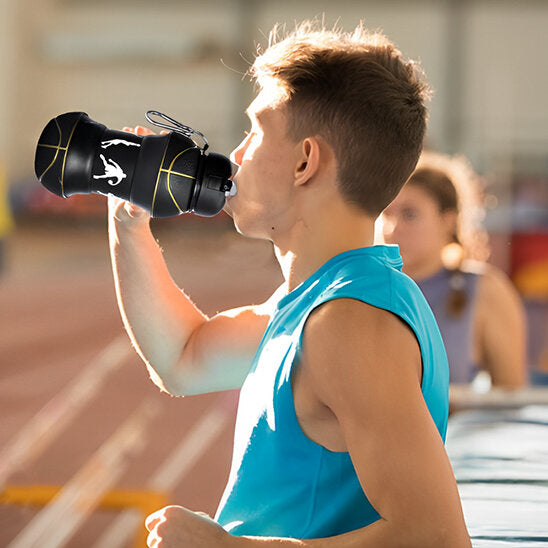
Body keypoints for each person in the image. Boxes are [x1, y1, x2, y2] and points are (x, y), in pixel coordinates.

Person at [109, 22, 471, 547]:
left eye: (254, 132)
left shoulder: (350, 324)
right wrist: (128, 222)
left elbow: (435, 539)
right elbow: (182, 358)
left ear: (306, 161)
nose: (235, 155)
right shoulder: (320, 304)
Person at [382, 151, 527, 389]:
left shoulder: (485, 289)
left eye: (409, 214)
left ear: (447, 221)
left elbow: (509, 397)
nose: (392, 229)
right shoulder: (364, 287)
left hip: (454, 426)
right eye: (387, 214)